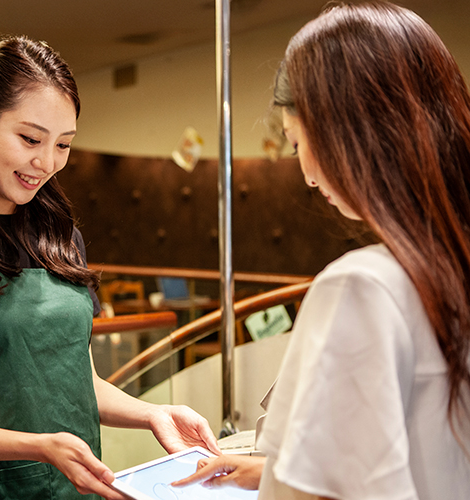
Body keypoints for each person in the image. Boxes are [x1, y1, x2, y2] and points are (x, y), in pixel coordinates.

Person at [0, 35, 221, 499]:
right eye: (31, 139)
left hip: (75, 490)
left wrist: (152, 413)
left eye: (63, 145)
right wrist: (38, 447)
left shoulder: (61, 238)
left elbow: (78, 382)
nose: (47, 163)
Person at [174, 2, 470, 499]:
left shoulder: (362, 286)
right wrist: (267, 472)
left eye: (295, 142)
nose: (308, 176)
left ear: (345, 131)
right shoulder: (451, 268)